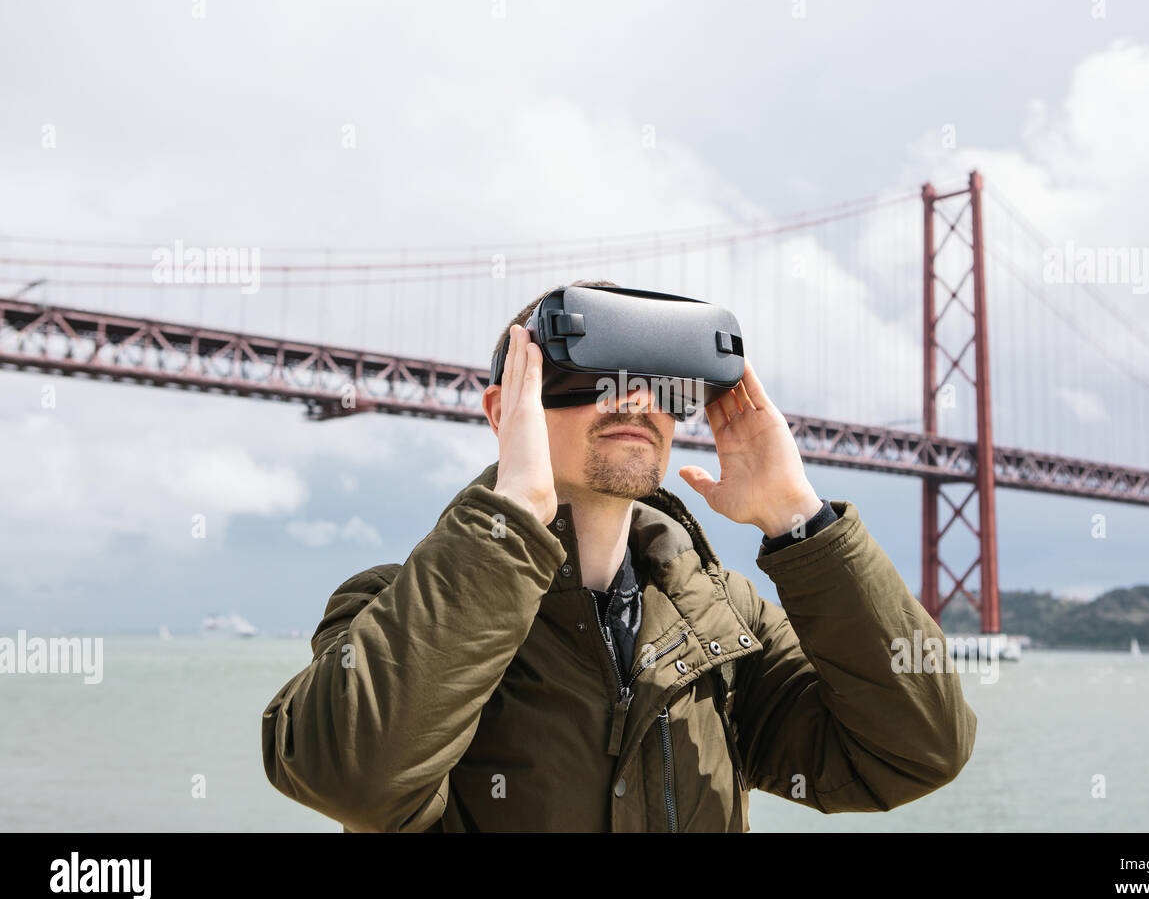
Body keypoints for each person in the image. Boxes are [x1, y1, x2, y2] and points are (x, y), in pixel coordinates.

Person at [261, 280, 977, 832]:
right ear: (500, 412)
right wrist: (510, 519)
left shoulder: (724, 619)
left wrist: (800, 523)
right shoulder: (392, 610)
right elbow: (353, 777)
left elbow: (916, 752)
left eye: (663, 382)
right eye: (591, 375)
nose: (634, 400)